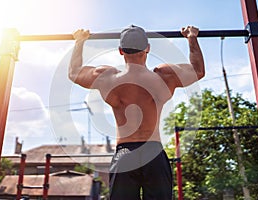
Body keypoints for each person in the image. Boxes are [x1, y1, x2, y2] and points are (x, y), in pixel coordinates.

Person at [69, 25, 205, 200]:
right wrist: (191, 38)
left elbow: (74, 73)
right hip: (154, 153)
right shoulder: (163, 77)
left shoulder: (107, 77)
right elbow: (198, 70)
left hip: (125, 154)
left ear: (120, 51)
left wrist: (79, 41)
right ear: (147, 48)